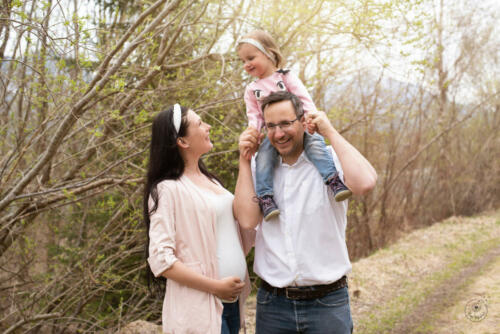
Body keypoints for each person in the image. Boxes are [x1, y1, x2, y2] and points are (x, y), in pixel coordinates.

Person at [234, 91, 377, 333]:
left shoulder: (330, 161)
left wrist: (329, 132)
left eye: (286, 124)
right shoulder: (259, 168)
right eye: (271, 126)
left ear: (303, 120)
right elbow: (247, 220)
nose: (278, 134)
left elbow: (365, 183)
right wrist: (244, 160)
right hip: (273, 305)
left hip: (327, 303)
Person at [144, 104, 255, 334]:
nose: (208, 126)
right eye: (199, 123)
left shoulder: (212, 182)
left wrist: (245, 160)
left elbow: (238, 228)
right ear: (182, 142)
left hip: (231, 304)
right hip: (199, 308)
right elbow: (160, 259)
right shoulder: (167, 190)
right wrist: (216, 287)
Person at [237, 30, 352, 221]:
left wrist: (310, 118)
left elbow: (303, 98)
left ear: (268, 53)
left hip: (300, 126)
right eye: (243, 61)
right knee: (263, 159)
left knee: (316, 146)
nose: (246, 64)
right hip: (272, 134)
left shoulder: (285, 77)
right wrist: (253, 132)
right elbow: (254, 116)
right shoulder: (252, 90)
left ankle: (333, 180)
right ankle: (266, 198)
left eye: (250, 58)